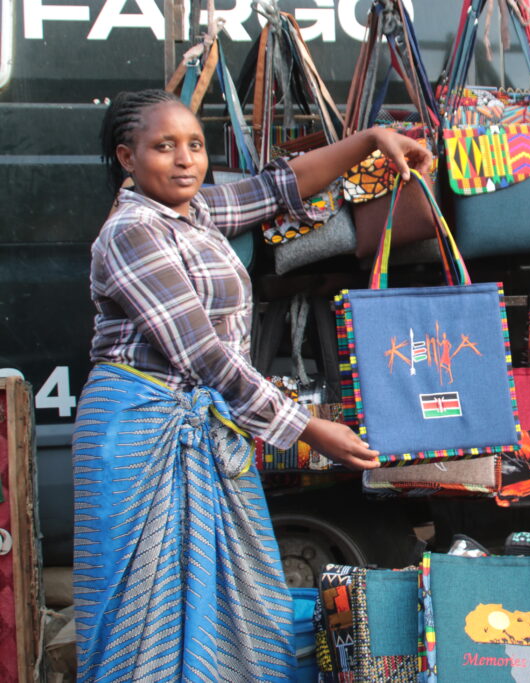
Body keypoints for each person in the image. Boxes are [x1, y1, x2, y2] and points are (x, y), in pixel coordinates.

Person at [72, 88, 432, 681]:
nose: (185, 159)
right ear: (126, 158)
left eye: (194, 144)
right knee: (142, 605)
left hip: (193, 423)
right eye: (164, 147)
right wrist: (308, 430)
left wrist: (371, 139)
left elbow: (278, 188)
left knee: (222, 596)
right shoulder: (131, 232)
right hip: (140, 431)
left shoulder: (196, 213)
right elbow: (202, 354)